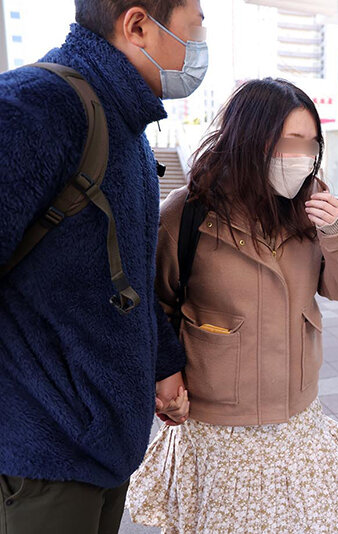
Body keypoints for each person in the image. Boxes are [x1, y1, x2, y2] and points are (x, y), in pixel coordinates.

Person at [126, 77, 338, 534]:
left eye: (311, 143)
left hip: (297, 421)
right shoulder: (186, 213)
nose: (302, 155)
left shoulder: (312, 207)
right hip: (216, 429)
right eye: (291, 141)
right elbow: (155, 308)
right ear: (250, 138)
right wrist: (165, 382)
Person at [0, 1, 205, 532]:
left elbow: (127, 273)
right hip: (42, 457)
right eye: (194, 28)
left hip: (104, 447)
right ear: (138, 26)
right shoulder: (36, 106)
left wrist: (163, 364)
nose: (199, 48)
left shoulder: (123, 124)